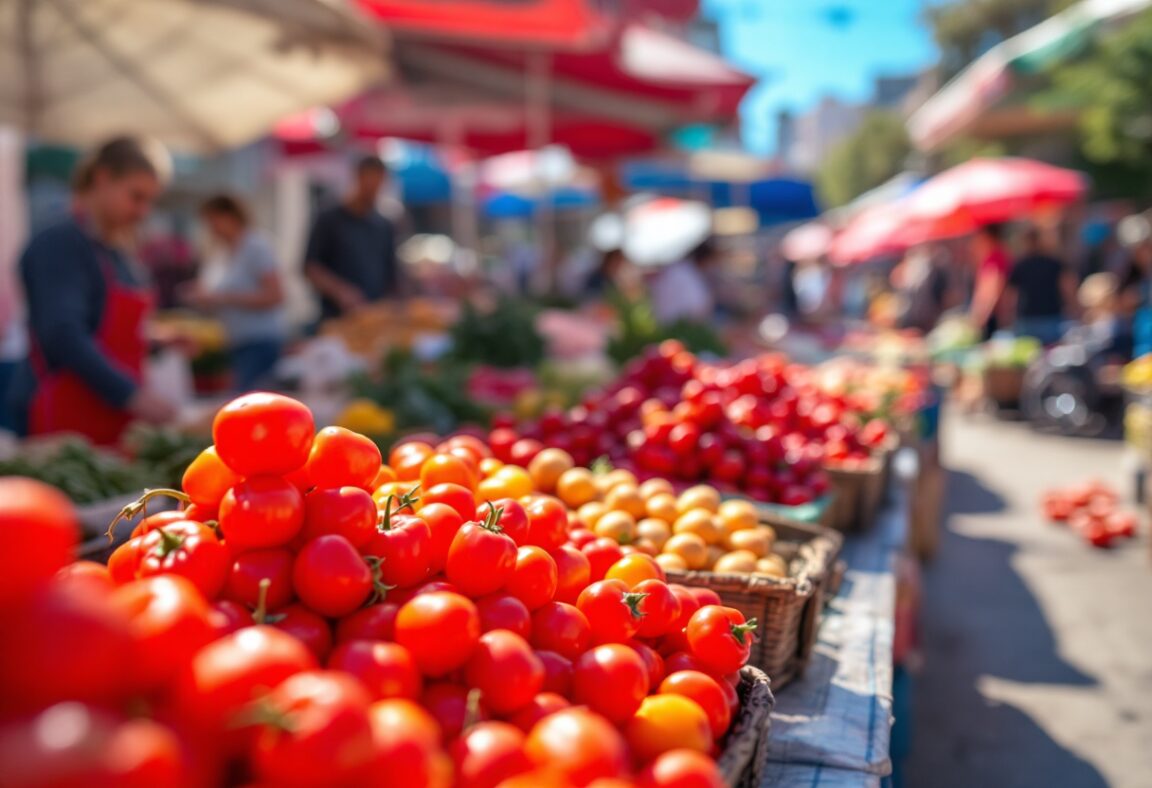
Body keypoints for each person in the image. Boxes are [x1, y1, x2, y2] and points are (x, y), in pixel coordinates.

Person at [12, 136, 177, 444]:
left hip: (110, 419)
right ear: (102, 178)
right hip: (60, 422)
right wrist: (130, 394)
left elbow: (106, 328)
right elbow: (63, 333)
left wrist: (156, 340)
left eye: (149, 201)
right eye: (136, 196)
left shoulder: (115, 251)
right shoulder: (60, 245)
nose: (143, 211)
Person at [186, 194, 287, 393]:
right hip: (237, 343)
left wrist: (223, 298)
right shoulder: (224, 253)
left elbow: (276, 295)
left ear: (230, 216)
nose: (211, 228)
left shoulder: (256, 246)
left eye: (213, 220)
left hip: (260, 342)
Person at [304, 155, 399, 320]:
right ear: (357, 178)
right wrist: (340, 291)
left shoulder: (383, 225)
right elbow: (310, 267)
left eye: (377, 182)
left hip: (374, 318)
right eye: (368, 180)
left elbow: (391, 275)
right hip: (336, 317)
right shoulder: (329, 219)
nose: (371, 188)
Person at [1005, 226, 1075, 345]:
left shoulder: (1021, 265)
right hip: (1047, 318)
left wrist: (1008, 316)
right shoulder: (1052, 263)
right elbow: (1067, 289)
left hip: (1033, 318)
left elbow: (1011, 295)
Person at [649, 239, 716, 325]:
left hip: (670, 322)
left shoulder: (682, 270)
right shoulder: (683, 273)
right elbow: (697, 307)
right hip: (675, 325)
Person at [969, 223, 1011, 339]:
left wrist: (980, 316)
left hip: (993, 316)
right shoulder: (995, 255)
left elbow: (993, 288)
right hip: (992, 315)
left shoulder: (995, 257)